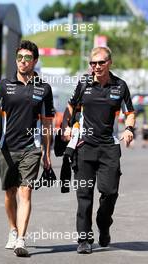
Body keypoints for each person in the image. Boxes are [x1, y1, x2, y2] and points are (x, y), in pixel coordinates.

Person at [62, 46, 135, 254]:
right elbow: (71, 107)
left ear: (109, 62)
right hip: (84, 146)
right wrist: (67, 126)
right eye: (93, 63)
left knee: (110, 192)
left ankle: (104, 225)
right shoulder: (84, 83)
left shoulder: (120, 86)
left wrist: (129, 128)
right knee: (84, 194)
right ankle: (84, 239)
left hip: (109, 147)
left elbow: (129, 112)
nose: (96, 67)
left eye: (101, 62)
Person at [0, 40, 55, 257]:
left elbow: (46, 124)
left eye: (27, 58)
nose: (23, 62)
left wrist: (46, 153)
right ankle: (13, 230)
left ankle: (21, 239)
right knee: (10, 193)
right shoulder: (4, 85)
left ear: (35, 61)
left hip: (31, 147)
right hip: (6, 147)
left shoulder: (44, 88)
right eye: (19, 58)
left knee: (26, 192)